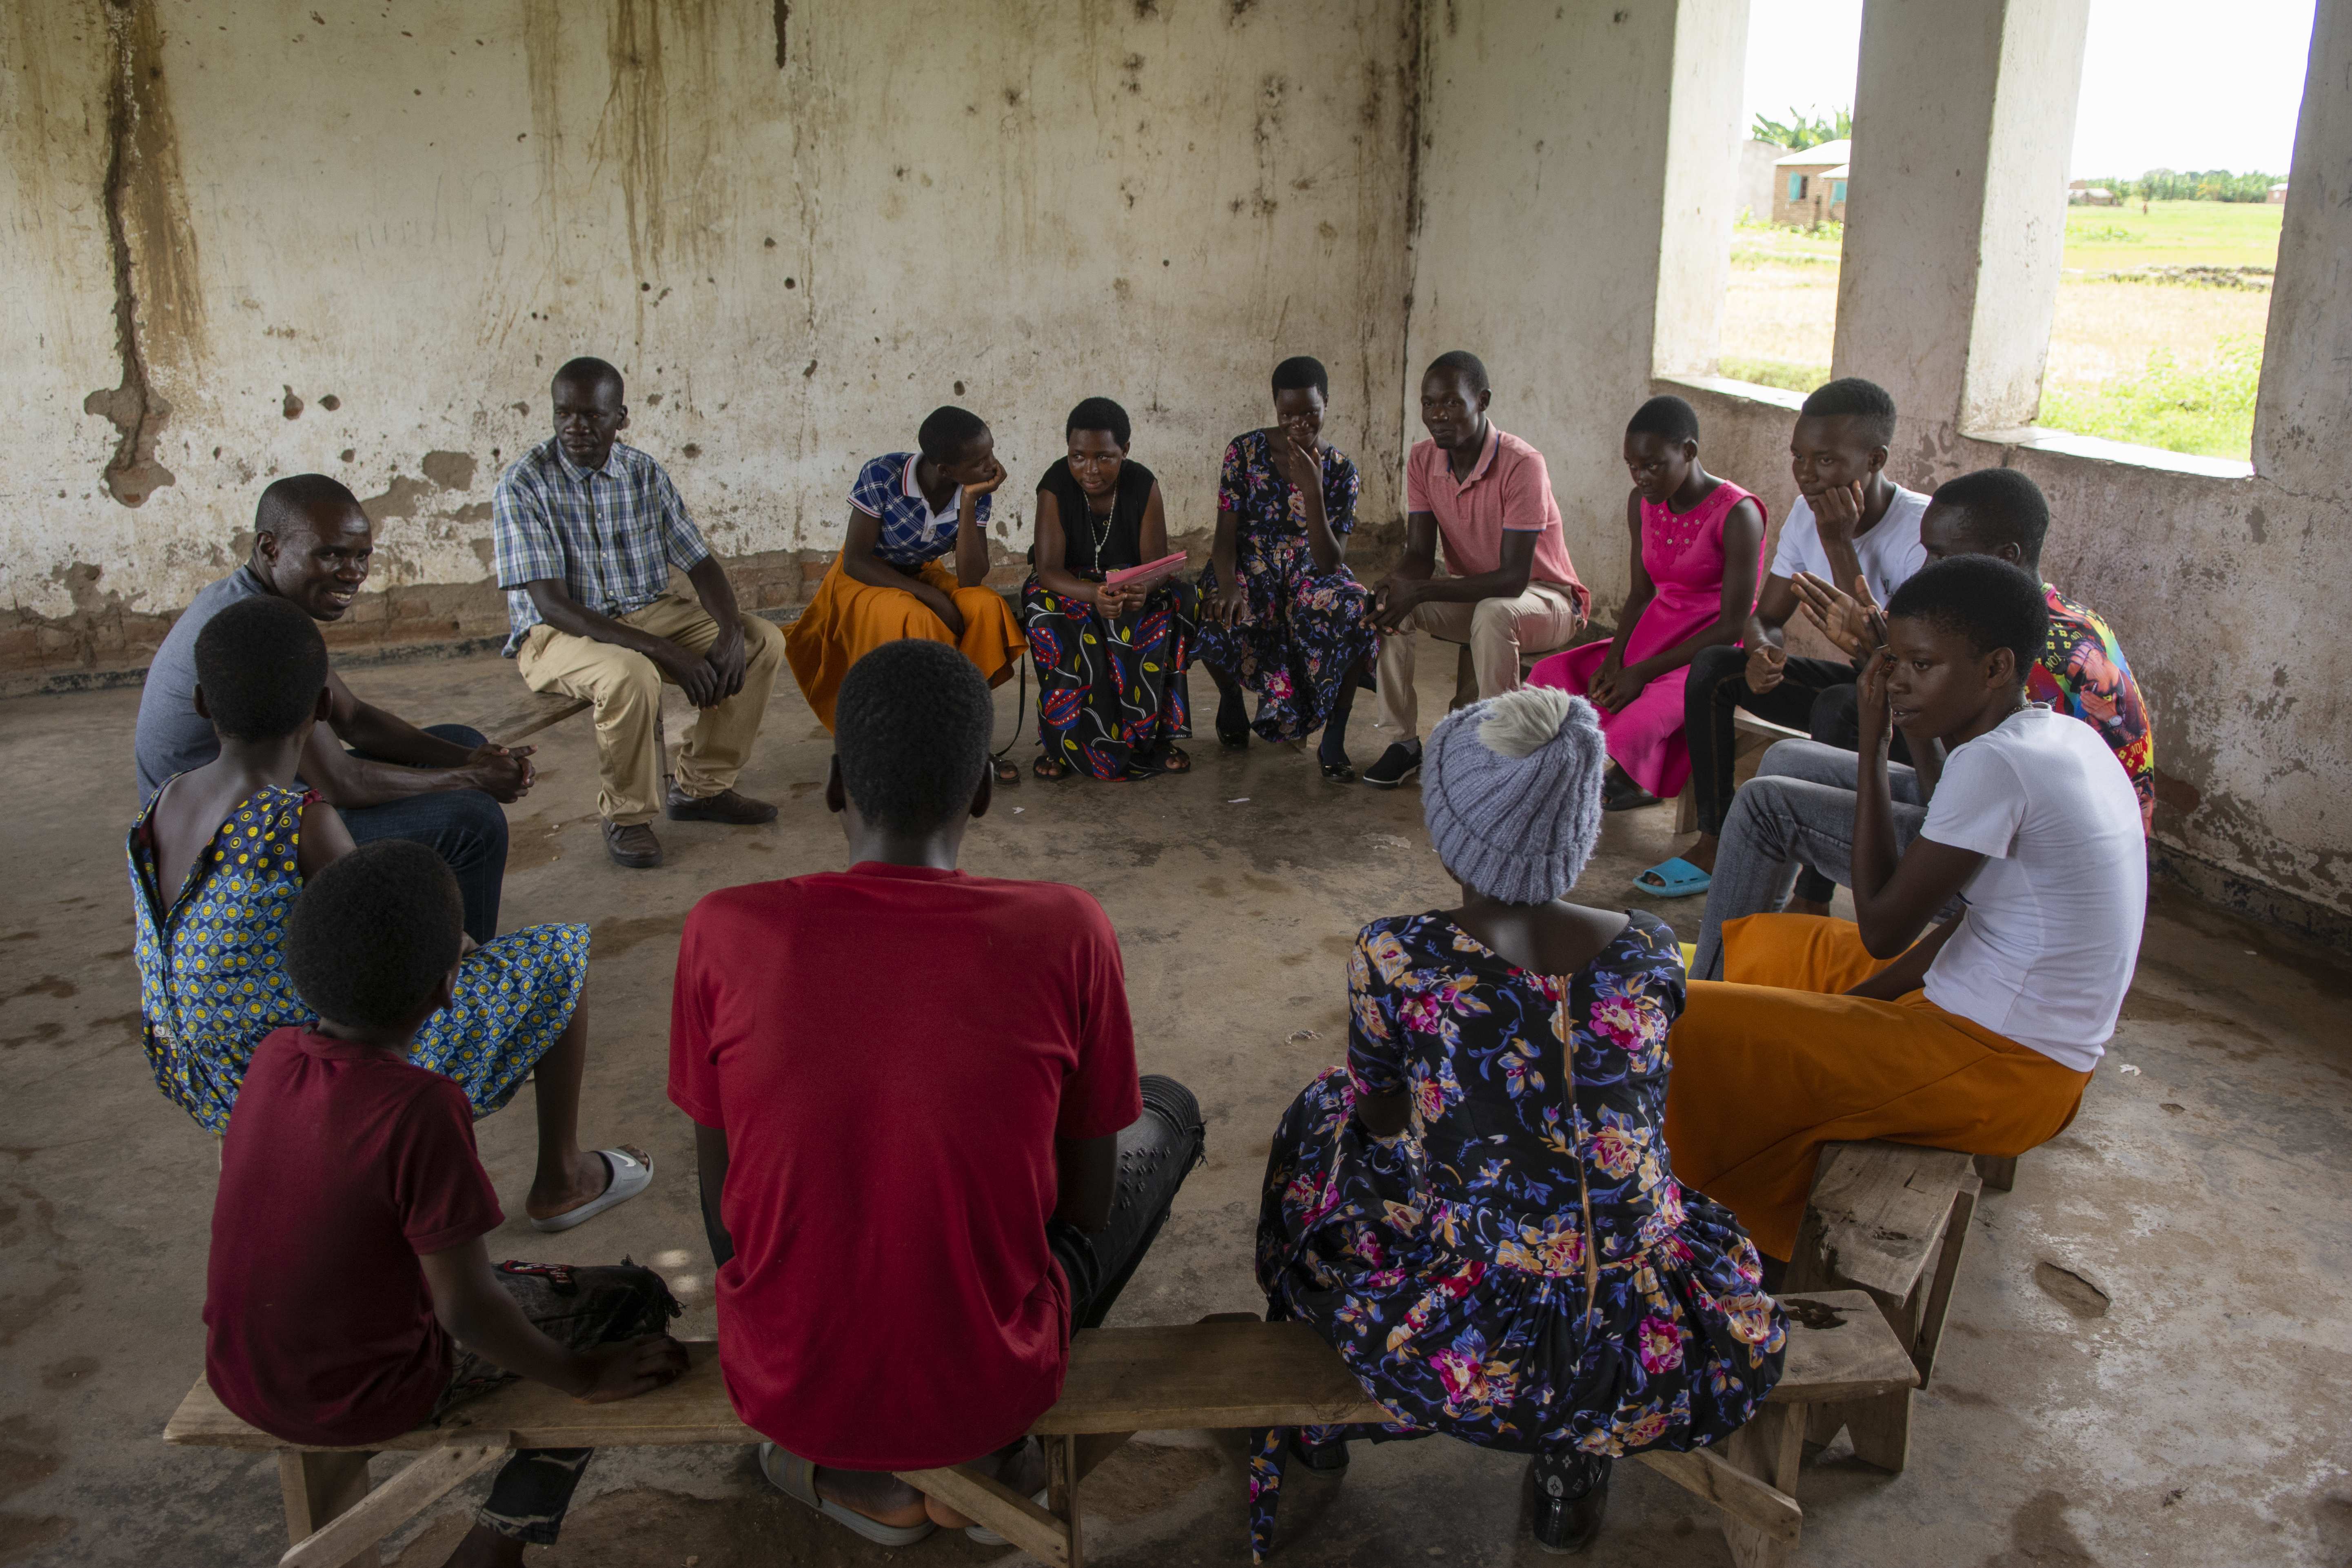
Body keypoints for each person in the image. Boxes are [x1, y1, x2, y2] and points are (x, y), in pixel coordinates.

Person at [669, 638, 1205, 1547]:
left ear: (836, 785)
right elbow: (1079, 1202)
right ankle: (985, 1463)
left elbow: (726, 1206)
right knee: (1168, 1109)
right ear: (985, 791)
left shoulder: (724, 930)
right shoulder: (1066, 929)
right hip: (989, 1384)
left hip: (784, 1374)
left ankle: (860, 1478)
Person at [1250, 687, 1784, 1561]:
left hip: (1478, 1336)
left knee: (1323, 1122)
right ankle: (1572, 1469)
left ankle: (1319, 1423)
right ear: (1574, 828)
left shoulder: (1397, 954)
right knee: (1572, 1183)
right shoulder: (1648, 945)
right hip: (1651, 1331)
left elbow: (1381, 1113)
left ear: (1450, 825)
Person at [205, 841, 689, 1568]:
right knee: (631, 1301)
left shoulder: (273, 1055)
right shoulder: (421, 1107)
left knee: (485, 1272)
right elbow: (466, 1310)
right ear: (445, 988)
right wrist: (583, 1374)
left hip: (243, 1367)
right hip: (366, 1392)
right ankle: (496, 1543)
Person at [1664, 557, 2147, 1263]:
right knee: (1765, 943)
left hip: (2002, 1065)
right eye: (1896, 663)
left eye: (1921, 665)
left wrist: (1871, 741)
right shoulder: (2055, 735)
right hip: (1986, 1014)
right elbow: (1964, 922)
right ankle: (1744, 1083)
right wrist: (1859, 1005)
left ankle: (1692, 1229)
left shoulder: (1996, 764)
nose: (1898, 682)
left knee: (1697, 1027)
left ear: (1994, 667)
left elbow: (1883, 927)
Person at [129, 595, 647, 1230]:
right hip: (298, 1076)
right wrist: (461, 949)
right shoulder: (295, 819)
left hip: (203, 1071)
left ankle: (254, 1182)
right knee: (559, 959)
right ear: (320, 709)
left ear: (203, 703)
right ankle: (562, 1179)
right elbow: (400, 925)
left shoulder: (162, 802)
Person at [1693, 467, 2155, 967]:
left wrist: (1892, 702)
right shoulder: (2051, 616)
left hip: (2037, 869)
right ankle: (1759, 945)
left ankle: (1706, 991)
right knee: (1787, 756)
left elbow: (1966, 793)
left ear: (2005, 558)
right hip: (2002, 810)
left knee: (1768, 803)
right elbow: (1968, 780)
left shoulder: (2034, 661)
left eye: (1940, 555)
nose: (1925, 567)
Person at [133, 475, 526, 943]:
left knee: (462, 742)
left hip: (243, 802)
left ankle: (419, 927)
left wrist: (472, 761)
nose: (354, 573)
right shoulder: (259, 634)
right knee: (474, 823)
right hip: (226, 846)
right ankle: (450, 980)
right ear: (270, 547)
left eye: (362, 556)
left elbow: (353, 718)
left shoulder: (252, 603)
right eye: (331, 554)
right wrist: (473, 779)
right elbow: (341, 782)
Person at [1637, 377, 1928, 900]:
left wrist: (1839, 543)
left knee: (1840, 707)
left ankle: (1812, 892)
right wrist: (1762, 651)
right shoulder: (1802, 511)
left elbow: (1899, 666)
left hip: (1906, 714)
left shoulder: (1919, 532)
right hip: (1855, 690)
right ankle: (1715, 836)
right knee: (1713, 667)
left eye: (1826, 461)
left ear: (1875, 460)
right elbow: (1765, 616)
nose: (1806, 477)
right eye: (1798, 457)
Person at [494, 356, 786, 871]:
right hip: (558, 632)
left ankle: (701, 789)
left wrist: (730, 628)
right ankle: (626, 818)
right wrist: (662, 650)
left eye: (591, 416)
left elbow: (699, 561)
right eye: (564, 413)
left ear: (621, 417)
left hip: (649, 611)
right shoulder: (524, 483)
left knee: (763, 641)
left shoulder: (643, 472)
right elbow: (552, 605)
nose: (576, 427)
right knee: (630, 674)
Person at [1527, 395, 1767, 813]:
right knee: (1551, 675)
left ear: (1688, 452)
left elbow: (1733, 624)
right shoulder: (1641, 504)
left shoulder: (1738, 514)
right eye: (1632, 466)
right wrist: (1616, 658)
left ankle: (1635, 780)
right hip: (1654, 636)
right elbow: (1640, 593)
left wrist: (1640, 673)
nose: (1641, 477)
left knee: (1637, 721)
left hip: (1713, 653)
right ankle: (1582, 772)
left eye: (1653, 465)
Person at [1364, 351, 1589, 789]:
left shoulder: (1523, 465)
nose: (1437, 416)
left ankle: (1498, 752)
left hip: (1547, 600)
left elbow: (1513, 579)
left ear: (1482, 401)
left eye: (1451, 403)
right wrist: (1395, 583)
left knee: (1493, 612)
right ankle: (1402, 743)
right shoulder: (1423, 460)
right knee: (1394, 608)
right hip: (1475, 595)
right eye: (1429, 404)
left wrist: (1425, 590)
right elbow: (1417, 552)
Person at [784, 405, 1027, 781]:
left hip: (922, 573)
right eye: (981, 460)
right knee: (913, 616)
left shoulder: (976, 488)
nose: (993, 466)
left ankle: (964, 739)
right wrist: (931, 598)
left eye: (991, 453)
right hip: (863, 579)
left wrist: (969, 502)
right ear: (944, 469)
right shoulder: (882, 475)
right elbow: (856, 561)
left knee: (988, 607)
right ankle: (917, 749)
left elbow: (971, 577)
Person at [1194, 356, 1379, 781]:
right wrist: (1229, 588)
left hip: (1309, 569)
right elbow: (1224, 540)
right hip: (1251, 563)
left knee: (1355, 609)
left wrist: (1312, 490)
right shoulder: (1244, 452)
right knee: (1212, 609)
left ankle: (1334, 735)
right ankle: (1230, 700)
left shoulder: (1341, 471)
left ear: (1326, 403)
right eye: (1288, 413)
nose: (1299, 422)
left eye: (1310, 412)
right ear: (1275, 407)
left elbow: (1332, 562)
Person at [1021, 396, 1198, 781]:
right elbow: (1048, 569)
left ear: (1125, 451)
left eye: (1105, 457)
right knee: (1049, 614)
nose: (1090, 469)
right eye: (1078, 456)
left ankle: (1152, 740)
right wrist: (1092, 595)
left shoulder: (1142, 484)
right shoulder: (1054, 485)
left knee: (1174, 603)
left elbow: (1157, 564)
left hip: (1126, 581)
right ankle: (1061, 745)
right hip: (1068, 584)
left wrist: (1144, 588)